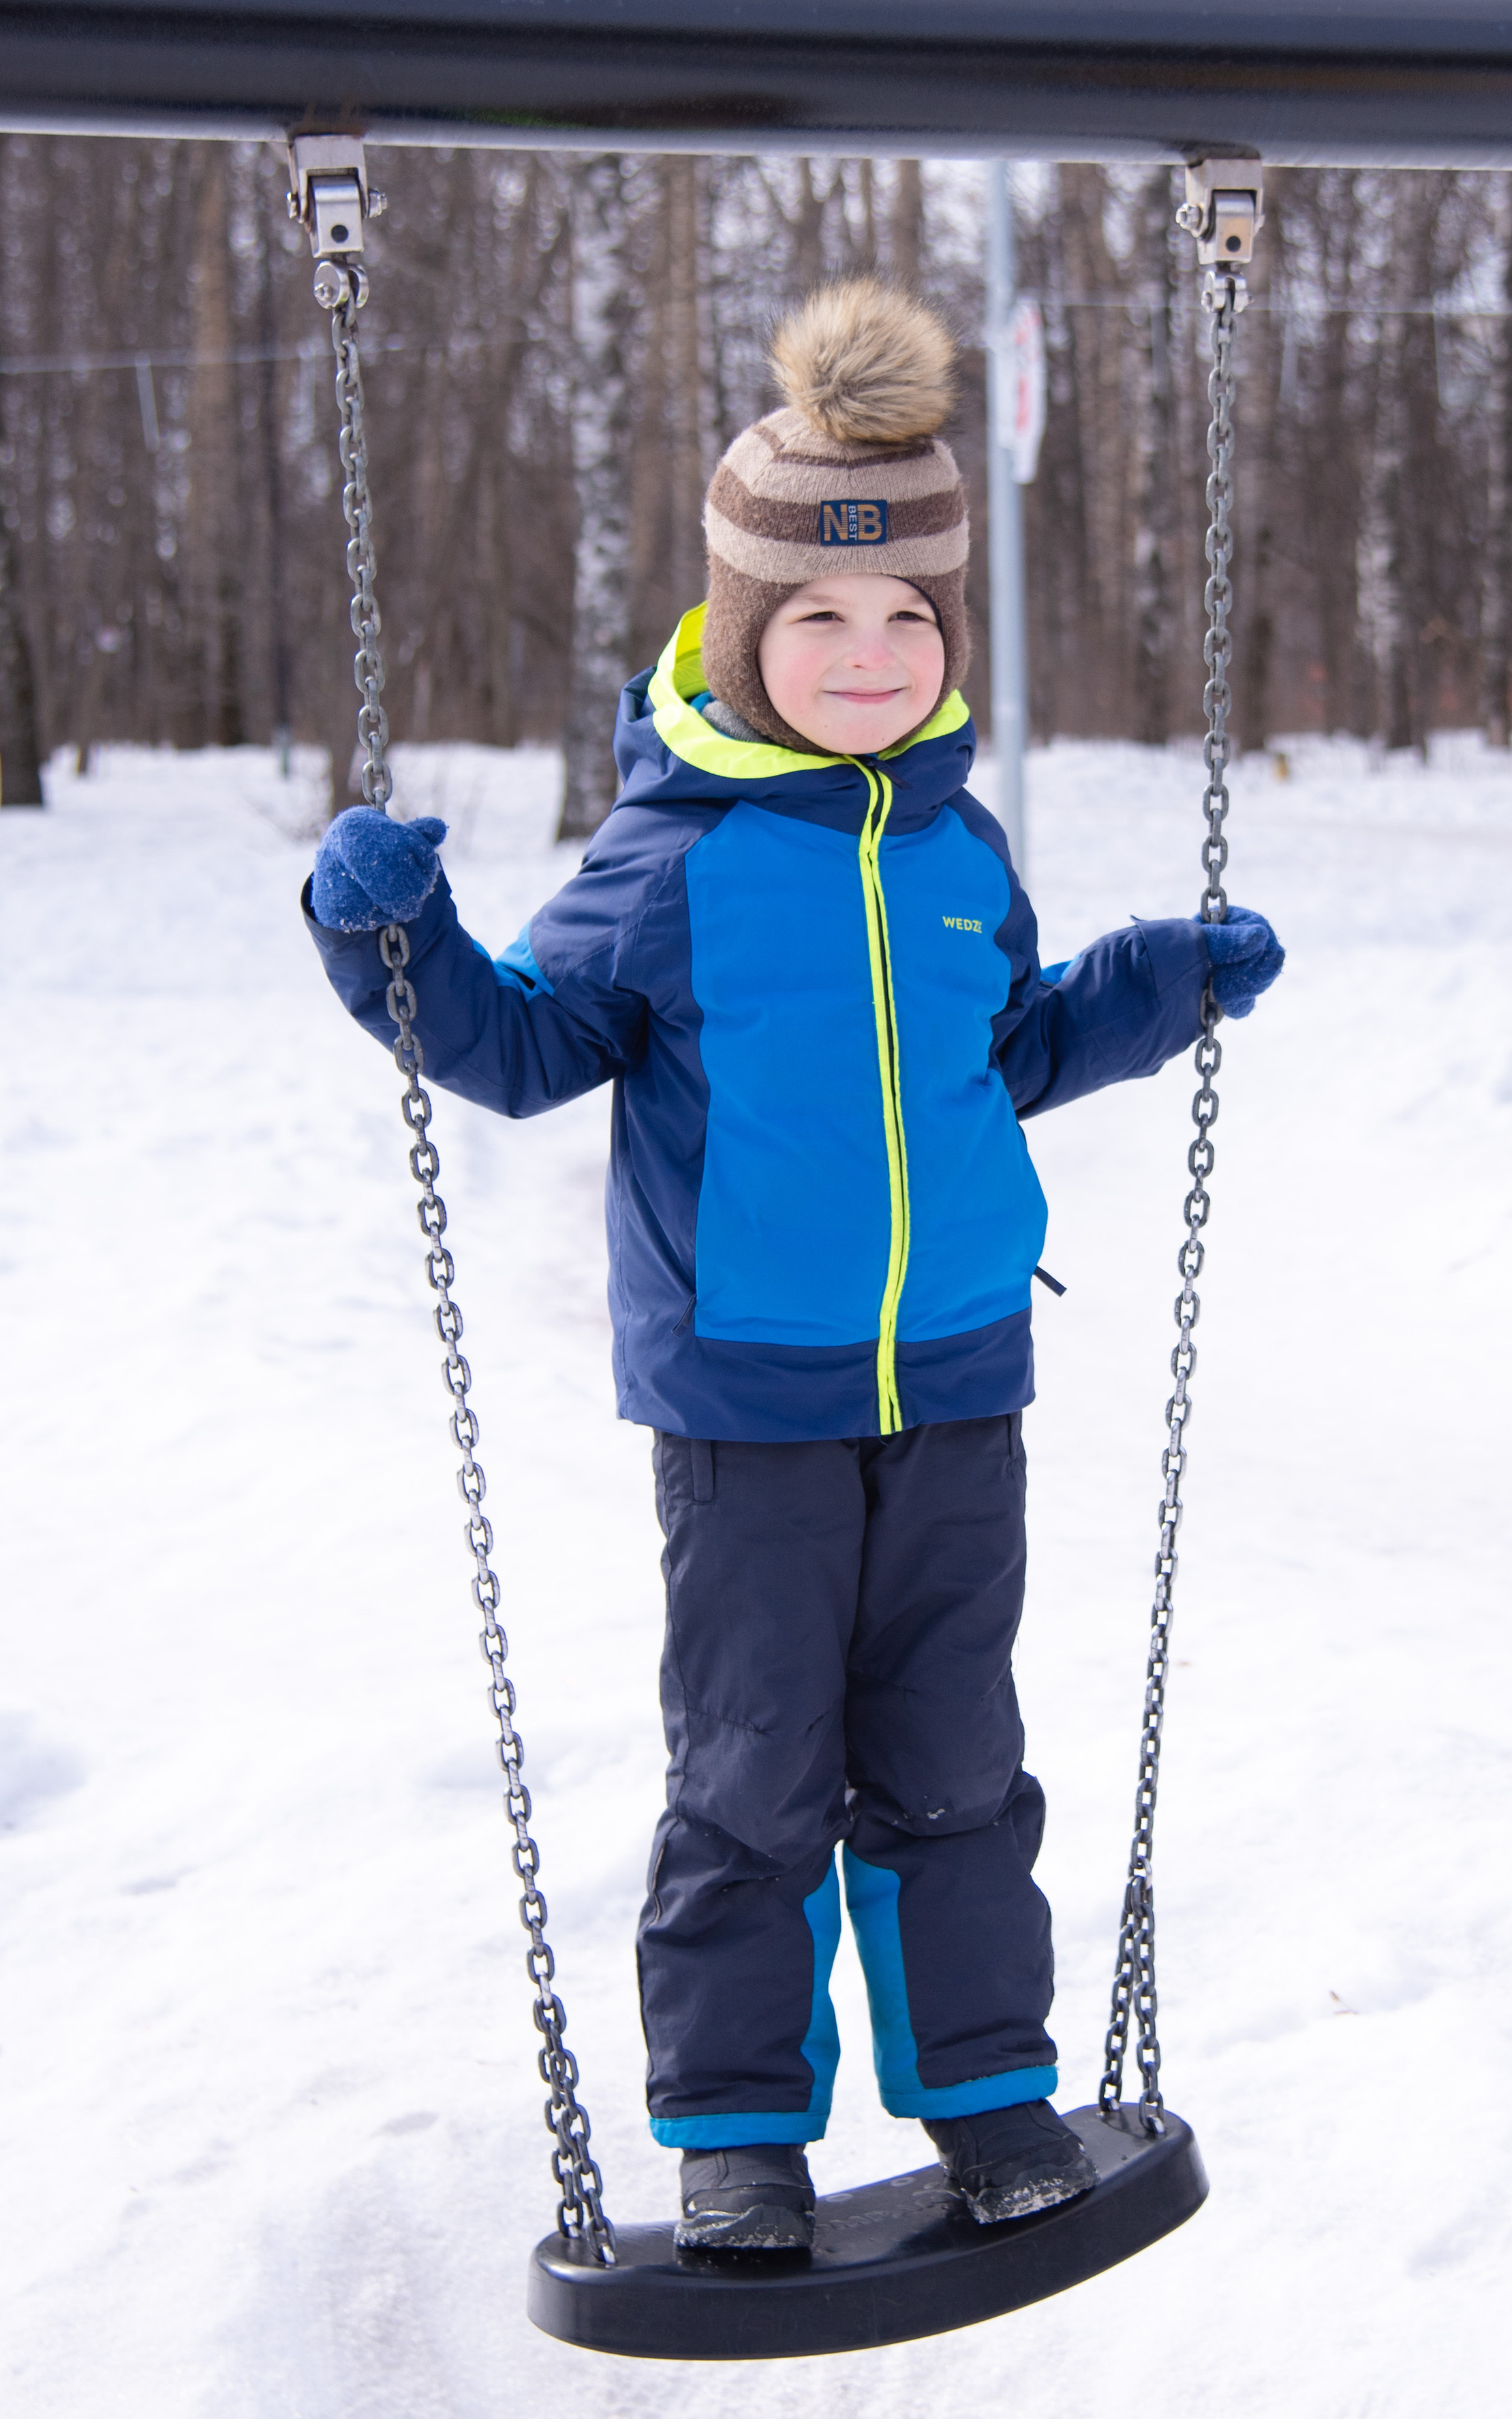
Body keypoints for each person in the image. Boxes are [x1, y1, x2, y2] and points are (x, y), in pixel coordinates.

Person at [305, 279, 1284, 2253]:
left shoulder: (956, 847)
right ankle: (738, 2131)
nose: (869, 650)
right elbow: (518, 1052)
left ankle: (996, 2102)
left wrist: (1147, 993)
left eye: (907, 614)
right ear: (744, 640)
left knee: (955, 1762)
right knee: (754, 1776)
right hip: (748, 1405)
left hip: (960, 1385)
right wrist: (378, 940)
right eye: (821, 618)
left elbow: (1004, 1052)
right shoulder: (670, 864)